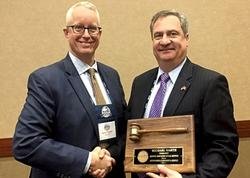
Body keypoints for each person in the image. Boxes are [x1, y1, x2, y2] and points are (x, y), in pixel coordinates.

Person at [12, 1, 126, 178]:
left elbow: (122, 131)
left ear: (100, 33)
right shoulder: (46, 80)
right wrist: (88, 160)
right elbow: (26, 143)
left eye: (92, 29)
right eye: (78, 28)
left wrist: (108, 157)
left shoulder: (112, 76)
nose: (86, 35)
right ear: (66, 32)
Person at [126, 9, 238, 178]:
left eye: (172, 33)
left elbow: (223, 146)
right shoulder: (140, 83)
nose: (164, 41)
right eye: (158, 35)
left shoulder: (210, 83)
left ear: (186, 39)